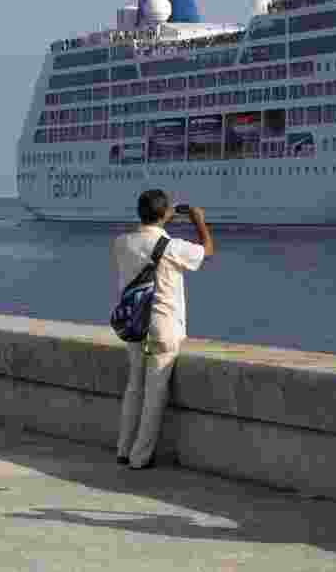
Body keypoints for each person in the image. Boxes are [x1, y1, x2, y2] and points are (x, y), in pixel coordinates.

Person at [112, 190, 213, 469]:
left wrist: (163, 216)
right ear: (165, 213)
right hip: (163, 325)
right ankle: (140, 457)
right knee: (155, 393)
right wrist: (198, 220)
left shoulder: (122, 243)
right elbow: (207, 251)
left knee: (134, 387)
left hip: (134, 323)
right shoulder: (171, 246)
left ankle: (123, 449)